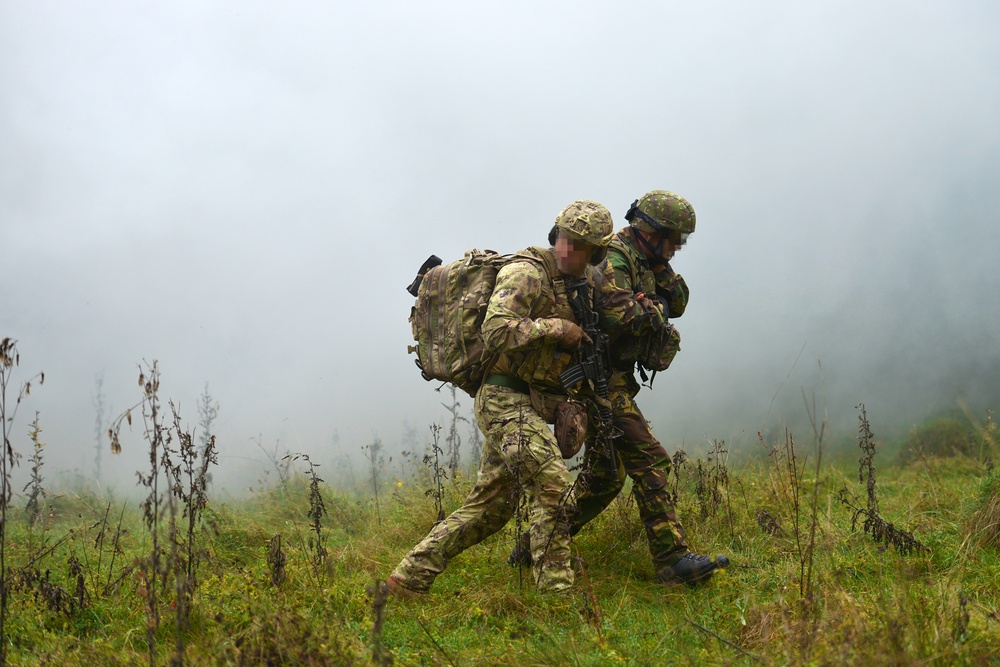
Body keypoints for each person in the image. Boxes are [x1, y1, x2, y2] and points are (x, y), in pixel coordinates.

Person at [386, 200, 666, 596]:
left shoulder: (583, 285)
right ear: (557, 236)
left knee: (492, 508)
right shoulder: (526, 273)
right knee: (552, 483)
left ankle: (408, 577)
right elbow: (496, 330)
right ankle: (556, 595)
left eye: (583, 245)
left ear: (597, 252)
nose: (571, 250)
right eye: (567, 240)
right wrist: (556, 328)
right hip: (504, 398)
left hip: (535, 403)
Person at [510, 190, 727, 585]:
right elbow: (619, 316)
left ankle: (532, 545)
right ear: (651, 230)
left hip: (612, 377)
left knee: (607, 477)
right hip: (595, 379)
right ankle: (672, 560)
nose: (678, 247)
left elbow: (678, 300)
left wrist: (657, 294)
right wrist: (650, 308)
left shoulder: (648, 259)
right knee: (650, 458)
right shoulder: (614, 255)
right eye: (674, 238)